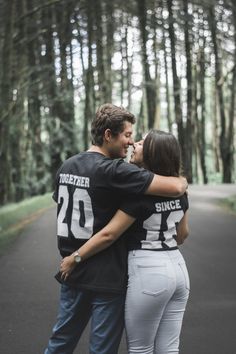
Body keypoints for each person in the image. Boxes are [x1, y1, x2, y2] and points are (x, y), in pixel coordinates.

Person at [44, 104, 188, 354]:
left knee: (60, 341)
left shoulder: (67, 166)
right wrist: (182, 180)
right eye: (127, 135)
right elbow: (175, 190)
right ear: (108, 135)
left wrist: (74, 256)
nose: (131, 143)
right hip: (106, 274)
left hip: (72, 271)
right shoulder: (115, 170)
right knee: (103, 349)